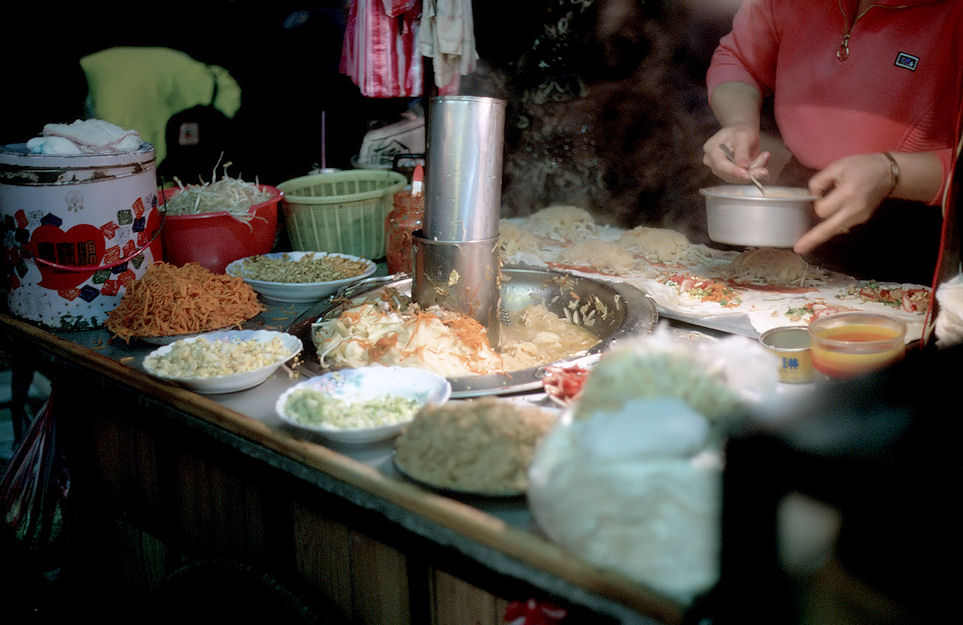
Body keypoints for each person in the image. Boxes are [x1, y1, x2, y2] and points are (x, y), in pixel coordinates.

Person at [702, 0, 963, 285]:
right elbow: (740, 59)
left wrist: (891, 172)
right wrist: (739, 121)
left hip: (911, 222)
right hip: (800, 195)